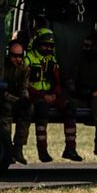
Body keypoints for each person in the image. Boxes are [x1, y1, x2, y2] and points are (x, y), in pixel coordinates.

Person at [62, 31, 97, 158]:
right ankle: (70, 146)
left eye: (88, 46)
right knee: (69, 106)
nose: (85, 49)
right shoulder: (81, 62)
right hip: (82, 95)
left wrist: (96, 93)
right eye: (84, 46)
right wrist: (74, 90)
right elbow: (71, 78)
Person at [23, 26, 63, 162]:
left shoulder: (52, 60)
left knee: (69, 106)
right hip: (33, 96)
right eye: (45, 45)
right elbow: (24, 84)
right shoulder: (28, 58)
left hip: (48, 95)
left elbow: (57, 82)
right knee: (41, 109)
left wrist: (55, 95)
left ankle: (70, 149)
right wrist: (42, 96)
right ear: (37, 44)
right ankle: (42, 150)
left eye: (51, 46)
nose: (48, 48)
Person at [0, 40, 31, 165]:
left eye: (20, 56)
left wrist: (24, 100)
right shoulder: (2, 67)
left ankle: (18, 148)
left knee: (27, 111)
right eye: (15, 56)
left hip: (16, 98)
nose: (18, 59)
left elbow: (24, 87)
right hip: (4, 99)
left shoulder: (24, 68)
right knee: (6, 112)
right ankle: (7, 148)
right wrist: (17, 101)